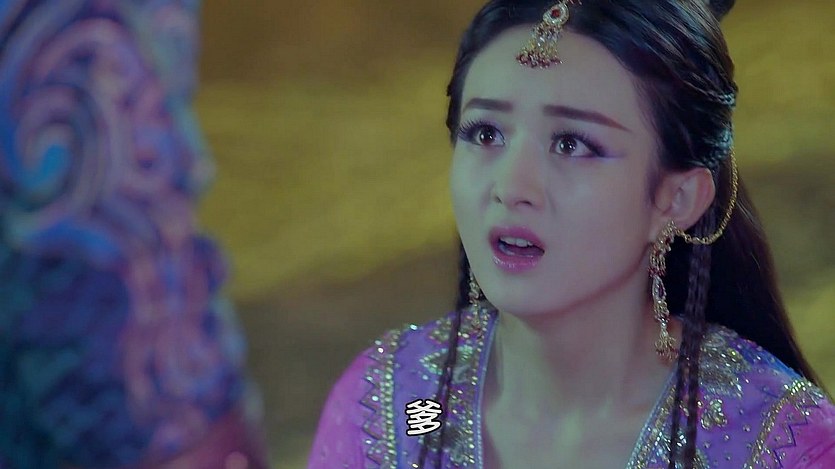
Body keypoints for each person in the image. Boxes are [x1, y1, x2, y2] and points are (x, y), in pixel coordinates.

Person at [307, 0, 835, 467]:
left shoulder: (775, 446)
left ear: (675, 200)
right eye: (485, 133)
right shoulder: (399, 407)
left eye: (572, 144)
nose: (511, 187)